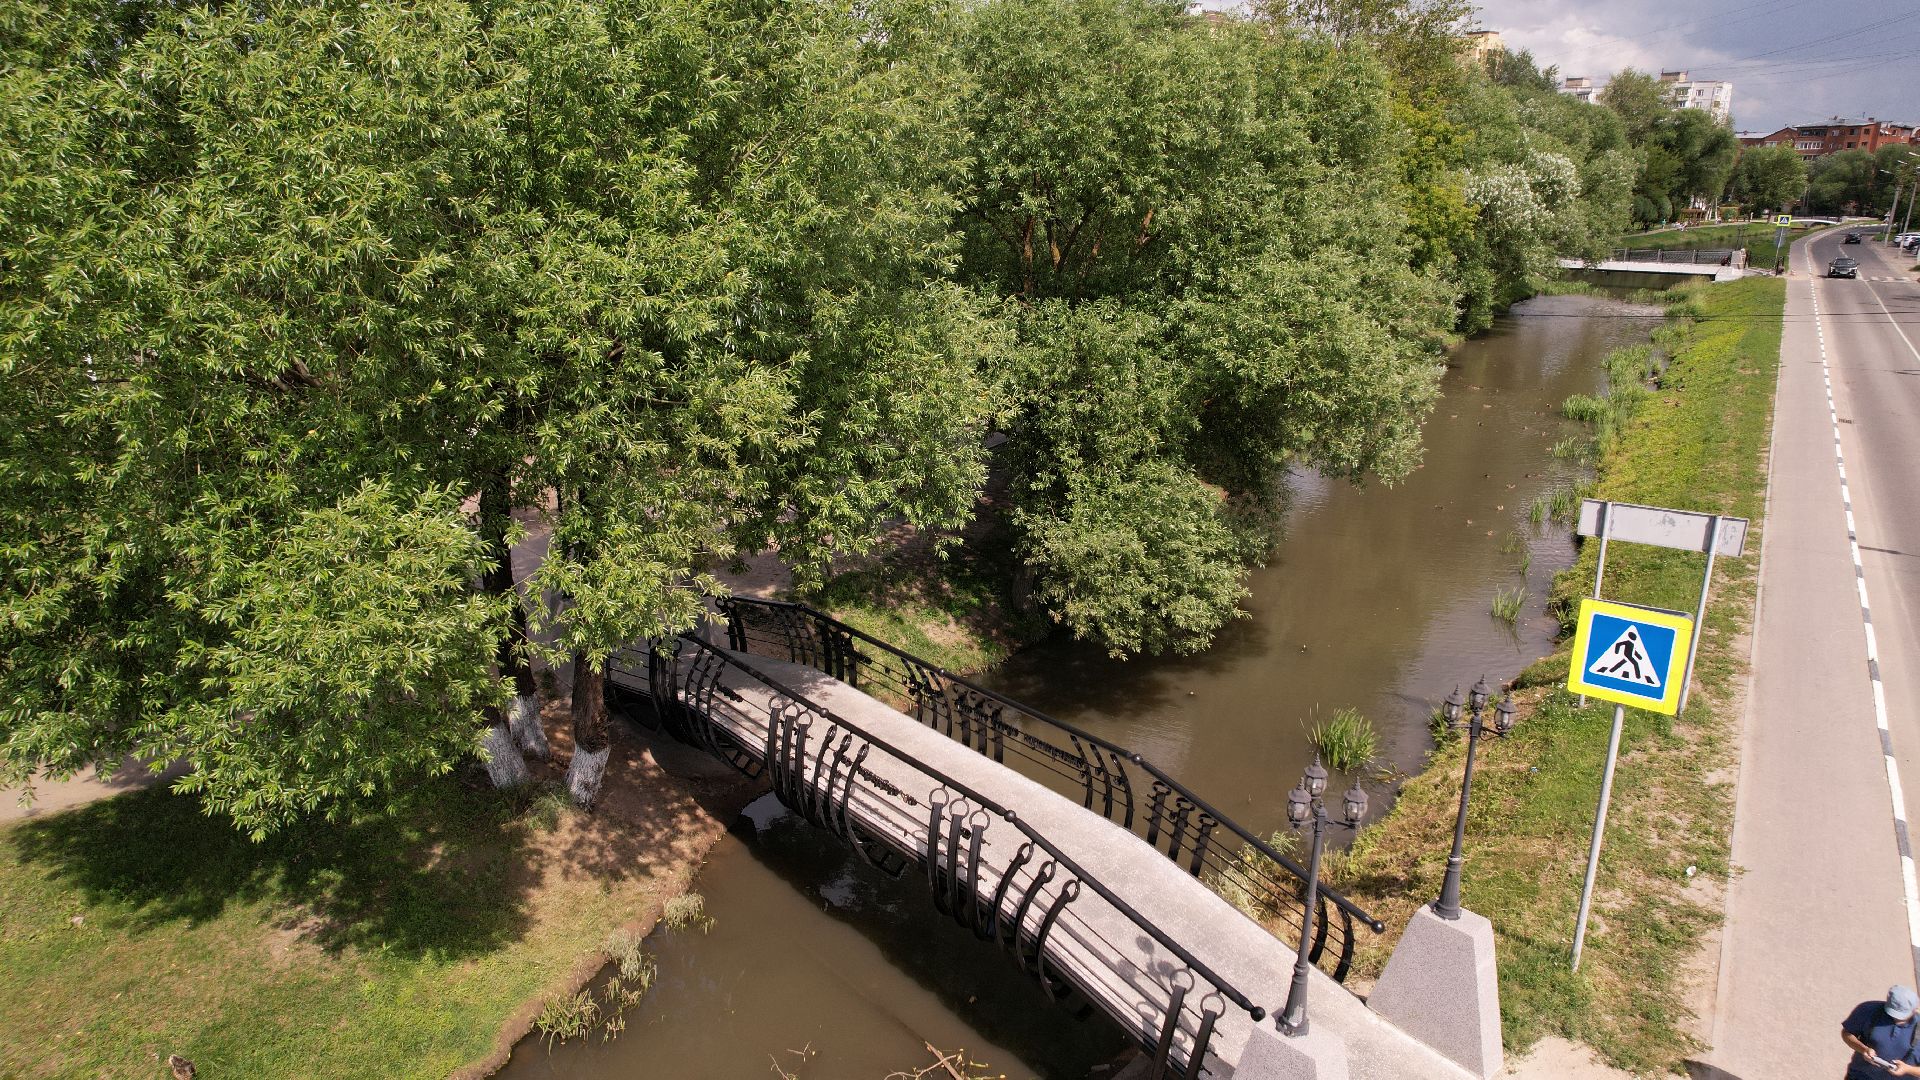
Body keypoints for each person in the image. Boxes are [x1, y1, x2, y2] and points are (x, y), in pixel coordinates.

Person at [1843, 985, 1920, 1077]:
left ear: (1915, 1009)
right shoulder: (1868, 1010)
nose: (1897, 1018)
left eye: (1903, 1015)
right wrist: (1863, 1049)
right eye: (1893, 1013)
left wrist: (1908, 1069)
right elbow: (1847, 1034)